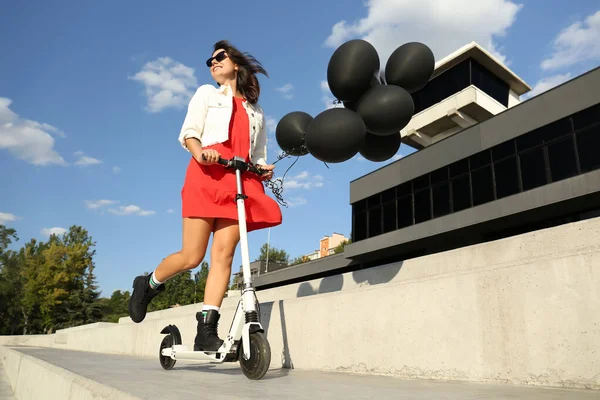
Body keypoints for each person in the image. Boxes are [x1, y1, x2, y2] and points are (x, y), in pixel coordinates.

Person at [128, 40, 282, 352]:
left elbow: (260, 153)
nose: (212, 62)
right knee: (192, 256)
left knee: (223, 255)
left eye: (219, 57)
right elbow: (189, 132)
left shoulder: (256, 111)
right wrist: (201, 154)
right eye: (209, 60)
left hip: (240, 182)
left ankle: (206, 329)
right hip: (207, 174)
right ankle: (148, 284)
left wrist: (265, 169)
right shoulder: (206, 94)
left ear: (235, 63)